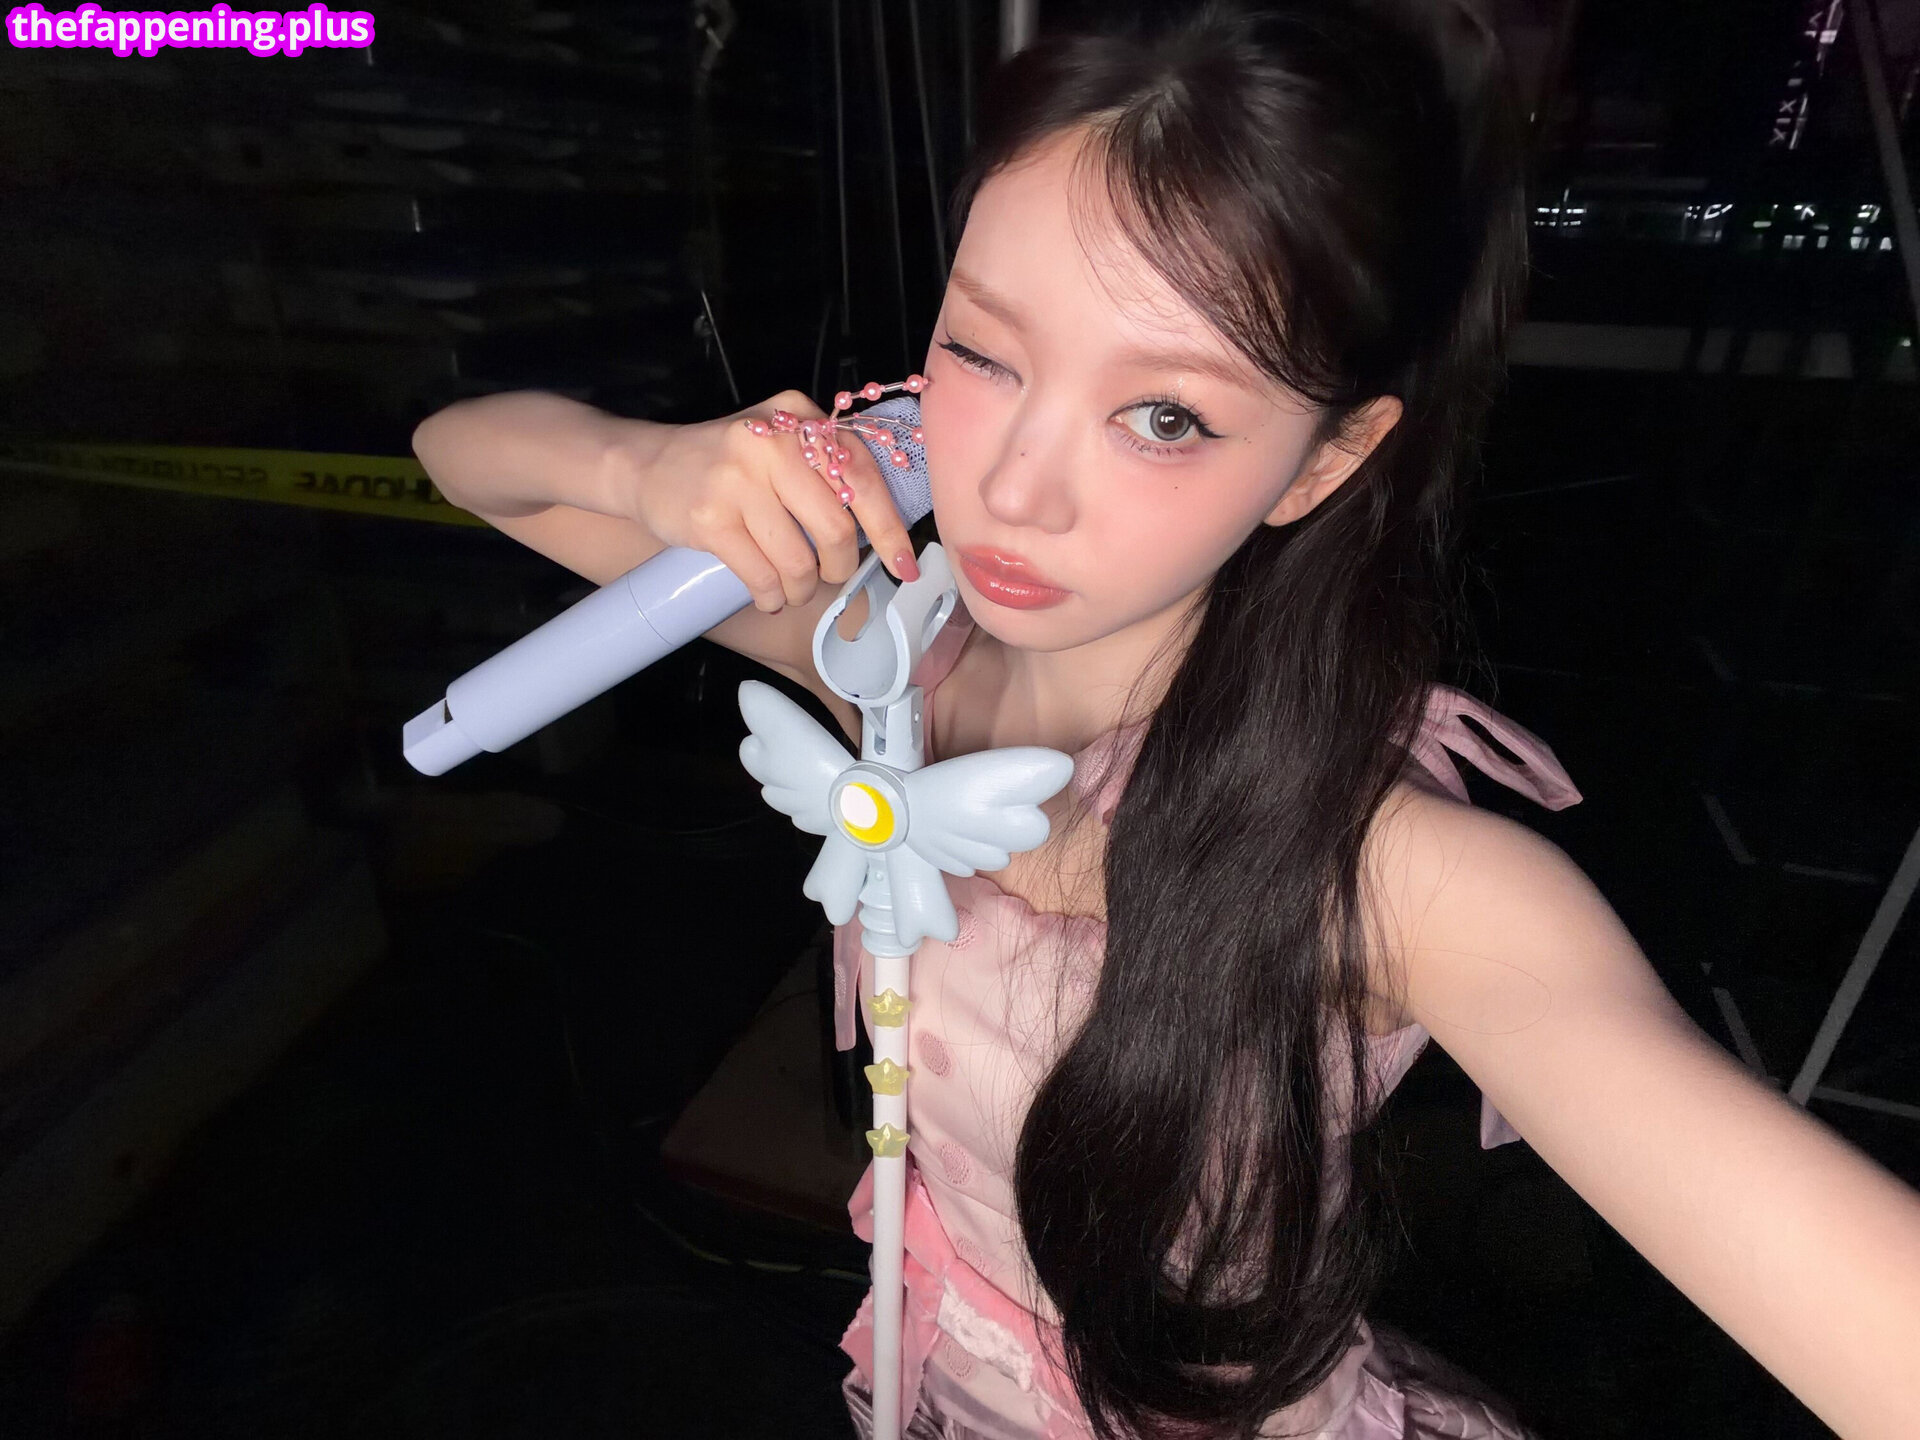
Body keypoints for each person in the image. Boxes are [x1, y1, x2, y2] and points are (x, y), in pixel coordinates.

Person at [409, 2, 1920, 1436]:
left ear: (1325, 463)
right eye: (985, 351)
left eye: (1165, 415)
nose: (1018, 487)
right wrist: (649, 467)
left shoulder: (1390, 874)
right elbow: (464, 456)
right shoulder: (893, 659)